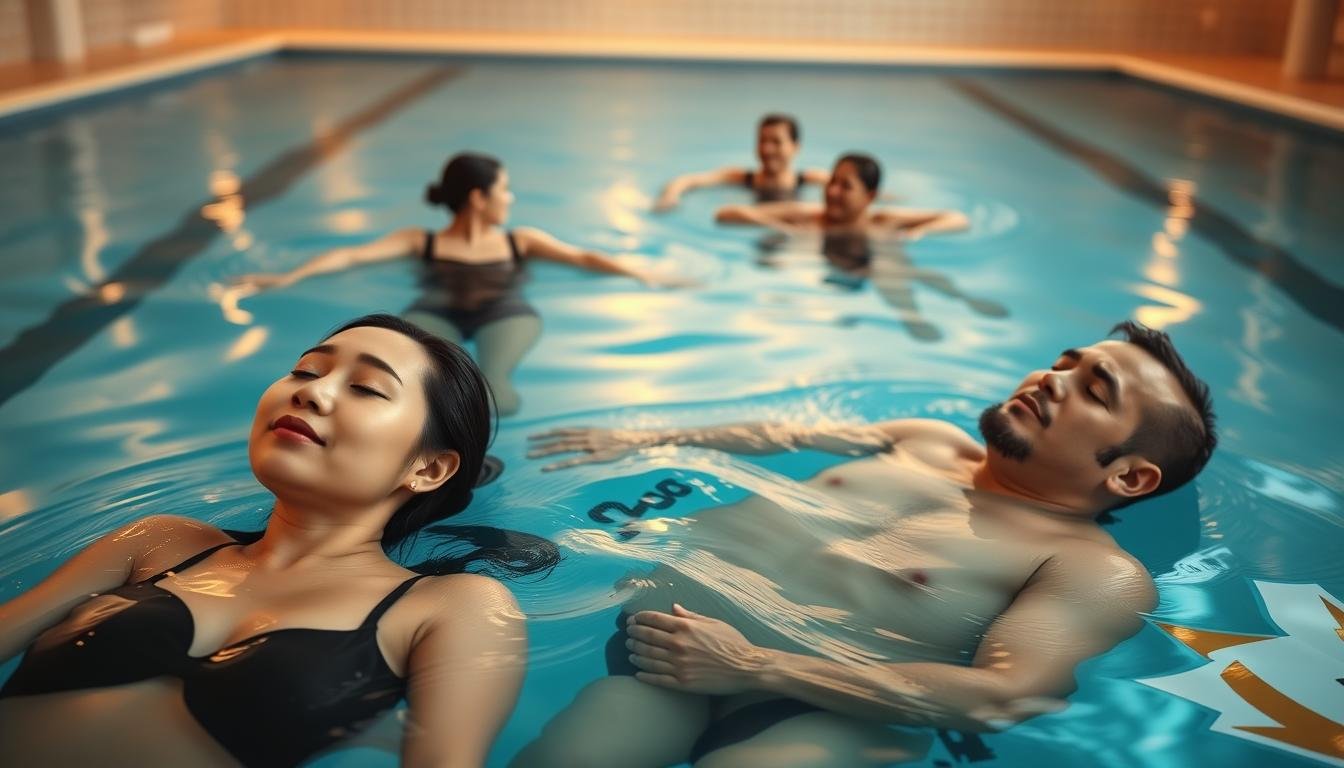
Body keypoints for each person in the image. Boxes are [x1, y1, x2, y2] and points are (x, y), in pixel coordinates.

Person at [514, 321, 1216, 767]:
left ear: (1130, 474)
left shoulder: (1092, 568)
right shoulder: (923, 439)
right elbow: (776, 435)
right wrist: (644, 437)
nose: (1052, 378)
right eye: (1064, 360)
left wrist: (756, 666)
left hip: (823, 713)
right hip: (663, 654)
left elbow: (1005, 697)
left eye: (1092, 388)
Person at [0, 314, 557, 767]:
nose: (312, 393)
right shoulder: (160, 542)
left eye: (365, 387)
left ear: (429, 469)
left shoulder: (450, 607)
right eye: (305, 370)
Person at [233, 152, 686, 416]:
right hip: (438, 310)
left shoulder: (519, 240)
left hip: (504, 311)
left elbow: (583, 257)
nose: (510, 199)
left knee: (497, 388)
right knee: (423, 384)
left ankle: (471, 449)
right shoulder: (421, 241)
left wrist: (645, 275)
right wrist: (286, 278)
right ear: (479, 197)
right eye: (504, 190)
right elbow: (352, 254)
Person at [715, 152, 969, 240]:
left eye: (845, 186)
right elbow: (726, 213)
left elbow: (957, 219)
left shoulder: (882, 221)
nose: (832, 192)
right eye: (831, 182)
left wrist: (920, 232)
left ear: (870, 197)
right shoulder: (809, 216)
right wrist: (781, 227)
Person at [654, 114, 830, 210]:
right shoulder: (740, 177)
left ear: (795, 147)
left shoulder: (811, 180)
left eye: (776, 142)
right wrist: (669, 197)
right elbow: (687, 180)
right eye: (762, 141)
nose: (767, 149)